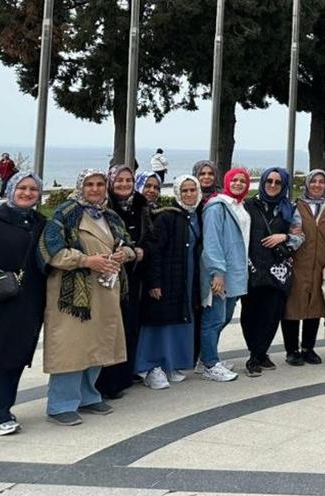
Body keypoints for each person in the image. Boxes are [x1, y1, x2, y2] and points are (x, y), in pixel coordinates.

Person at [38, 170, 140, 424]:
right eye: (89, 184)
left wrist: (125, 254)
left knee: (97, 343)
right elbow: (50, 251)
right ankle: (60, 405)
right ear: (80, 186)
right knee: (71, 347)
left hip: (105, 289)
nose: (95, 189)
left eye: (100, 184)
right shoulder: (65, 214)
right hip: (73, 294)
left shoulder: (110, 216)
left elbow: (128, 243)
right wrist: (86, 260)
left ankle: (88, 396)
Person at [0, 173, 46, 434]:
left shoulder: (39, 222)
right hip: (0, 299)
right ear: (11, 189)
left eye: (33, 189)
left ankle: (1, 408)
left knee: (18, 354)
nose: (27, 193)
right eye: (22, 187)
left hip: (30, 299)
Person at [136, 175, 202, 390]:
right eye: (184, 191)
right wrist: (154, 282)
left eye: (193, 190)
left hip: (185, 278)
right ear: (176, 193)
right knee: (159, 323)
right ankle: (150, 367)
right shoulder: (167, 217)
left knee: (177, 322)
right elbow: (153, 251)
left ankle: (170, 363)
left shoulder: (195, 216)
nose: (189, 194)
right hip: (166, 278)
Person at [241, 167, 303, 377]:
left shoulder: (290, 209)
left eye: (278, 182)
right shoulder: (249, 205)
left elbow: (299, 236)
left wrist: (284, 237)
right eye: (269, 181)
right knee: (250, 315)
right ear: (263, 182)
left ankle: (256, 357)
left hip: (278, 271)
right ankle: (257, 353)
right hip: (252, 268)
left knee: (271, 316)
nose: (273, 185)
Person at [98, 164, 151, 400]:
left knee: (129, 327)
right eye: (119, 180)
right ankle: (103, 382)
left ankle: (122, 377)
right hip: (108, 275)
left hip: (134, 276)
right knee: (109, 327)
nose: (124, 184)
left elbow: (149, 237)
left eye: (128, 180)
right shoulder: (103, 207)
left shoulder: (141, 205)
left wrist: (140, 251)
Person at [284, 170, 325, 367]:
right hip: (298, 263)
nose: (317, 185)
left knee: (315, 306)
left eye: (321, 182)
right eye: (314, 181)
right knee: (293, 307)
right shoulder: (296, 206)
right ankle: (292, 350)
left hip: (322, 264)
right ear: (307, 184)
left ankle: (308, 348)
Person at [197, 169, 251, 382]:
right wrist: (217, 272)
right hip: (220, 272)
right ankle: (209, 364)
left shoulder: (239, 205)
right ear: (227, 181)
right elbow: (211, 241)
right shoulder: (217, 206)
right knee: (213, 319)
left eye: (242, 180)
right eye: (234, 180)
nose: (238, 183)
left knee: (225, 317)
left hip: (235, 271)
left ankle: (207, 357)